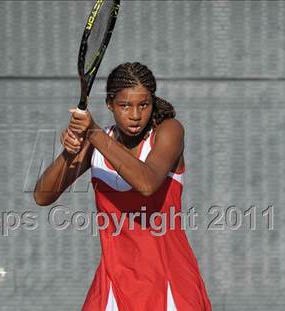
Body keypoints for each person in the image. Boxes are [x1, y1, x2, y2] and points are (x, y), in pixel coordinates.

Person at [34, 62, 212, 311]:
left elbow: (147, 183)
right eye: (125, 105)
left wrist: (93, 133)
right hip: (112, 280)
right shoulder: (97, 141)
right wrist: (70, 150)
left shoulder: (169, 131)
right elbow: (42, 196)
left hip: (170, 277)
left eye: (144, 104)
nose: (136, 115)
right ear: (110, 104)